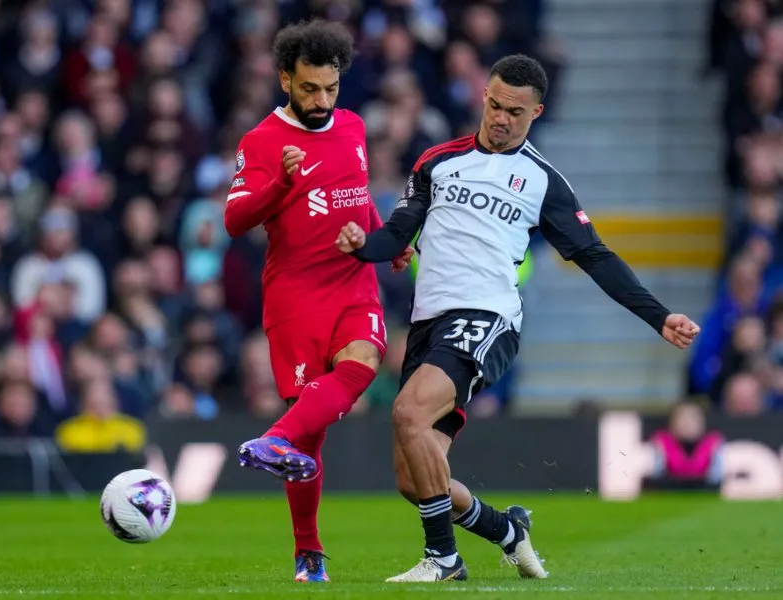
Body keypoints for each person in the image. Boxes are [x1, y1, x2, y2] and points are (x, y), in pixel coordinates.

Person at [336, 54, 702, 583]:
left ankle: (443, 560)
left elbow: (593, 255)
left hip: (488, 318)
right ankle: (507, 531)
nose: (501, 117)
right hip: (429, 323)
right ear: (483, 95)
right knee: (415, 479)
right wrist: (360, 245)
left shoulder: (542, 181)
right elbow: (398, 234)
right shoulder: (437, 162)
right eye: (494, 104)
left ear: (536, 113)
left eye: (515, 111)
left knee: (408, 413)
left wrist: (658, 316)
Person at [223, 19, 411, 583]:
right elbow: (234, 220)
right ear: (285, 78)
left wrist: (386, 240)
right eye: (309, 88)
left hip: (352, 282)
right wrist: (281, 185)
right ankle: (308, 551)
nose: (321, 100)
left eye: (330, 88)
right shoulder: (260, 141)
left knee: (364, 364)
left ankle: (271, 439)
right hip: (295, 297)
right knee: (311, 438)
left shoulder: (352, 126)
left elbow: (355, 193)